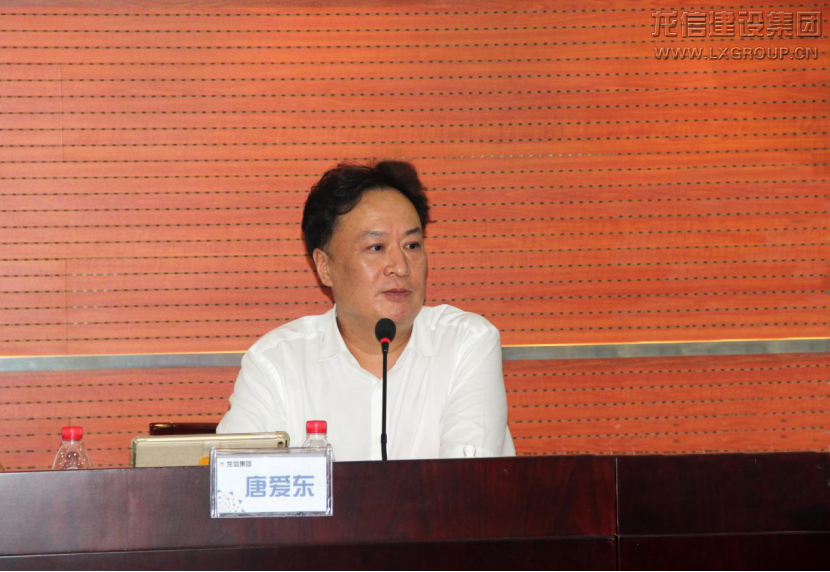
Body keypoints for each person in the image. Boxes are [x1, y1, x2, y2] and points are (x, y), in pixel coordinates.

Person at [217, 161, 515, 461]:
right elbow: (234, 478)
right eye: (376, 247)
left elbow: (469, 481)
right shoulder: (276, 362)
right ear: (325, 267)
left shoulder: (466, 343)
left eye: (412, 245)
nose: (400, 267)